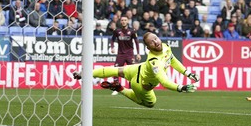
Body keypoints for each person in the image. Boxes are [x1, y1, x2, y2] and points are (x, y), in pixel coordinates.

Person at [72, 32, 200, 108]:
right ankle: (120, 89)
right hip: (140, 83)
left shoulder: (165, 47)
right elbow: (164, 81)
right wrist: (181, 88)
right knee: (150, 103)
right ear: (148, 48)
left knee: (115, 70)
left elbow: (172, 60)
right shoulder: (154, 62)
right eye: (151, 42)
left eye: (155, 38)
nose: (155, 42)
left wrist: (187, 73)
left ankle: (84, 73)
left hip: (138, 68)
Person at [110, 16, 141, 95]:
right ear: (120, 22)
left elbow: (137, 42)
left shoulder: (132, 31)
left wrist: (138, 53)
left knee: (132, 71)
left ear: (127, 21)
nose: (123, 21)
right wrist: (112, 47)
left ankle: (131, 88)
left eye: (125, 20)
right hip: (120, 54)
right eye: (122, 20)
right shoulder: (117, 31)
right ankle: (117, 88)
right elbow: (112, 40)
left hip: (129, 54)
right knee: (116, 70)